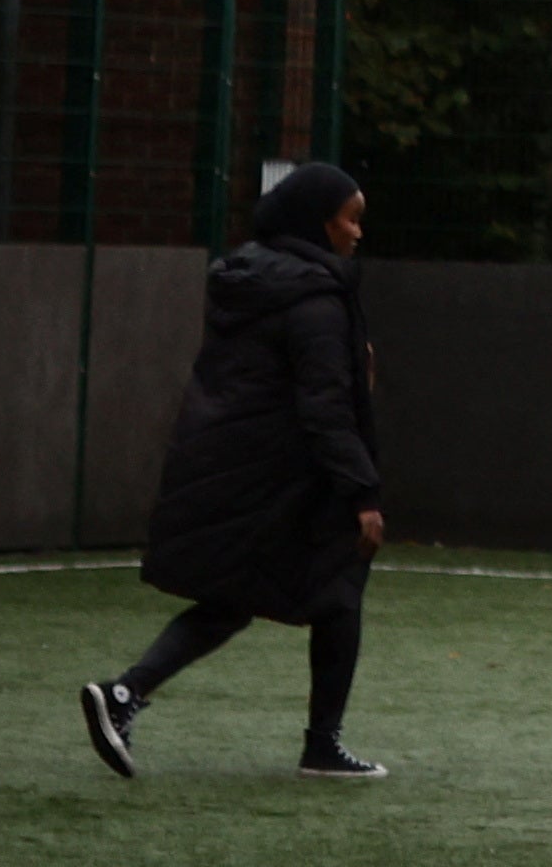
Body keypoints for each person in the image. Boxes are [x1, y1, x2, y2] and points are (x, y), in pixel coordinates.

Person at [83, 157, 387, 782]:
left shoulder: (250, 279)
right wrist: (362, 490)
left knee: (235, 597)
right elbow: (324, 405)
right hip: (285, 475)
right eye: (350, 220)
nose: (358, 233)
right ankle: (320, 746)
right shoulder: (315, 300)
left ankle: (125, 696)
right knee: (337, 590)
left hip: (234, 463)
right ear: (319, 221)